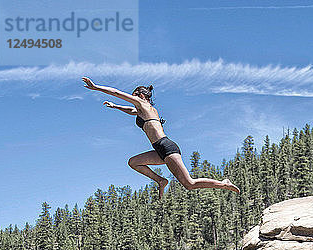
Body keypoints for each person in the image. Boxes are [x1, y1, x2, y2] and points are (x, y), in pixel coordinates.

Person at [82, 77, 240, 199]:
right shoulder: (145, 109)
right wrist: (115, 107)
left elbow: (117, 93)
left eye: (134, 96)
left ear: (141, 96)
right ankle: (161, 181)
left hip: (167, 147)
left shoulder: (142, 104)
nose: (133, 99)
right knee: (133, 162)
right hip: (159, 149)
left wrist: (96, 87)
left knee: (189, 183)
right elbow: (130, 111)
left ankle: (223, 183)